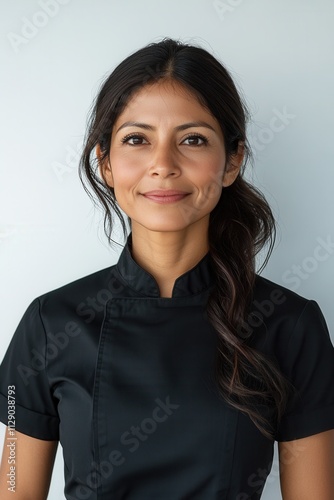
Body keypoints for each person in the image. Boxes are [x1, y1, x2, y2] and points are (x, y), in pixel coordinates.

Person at [0, 37, 333, 500]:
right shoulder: (49, 323)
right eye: (137, 139)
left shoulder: (289, 325)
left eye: (192, 140)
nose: (163, 165)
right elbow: (13, 489)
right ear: (106, 162)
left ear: (233, 160)